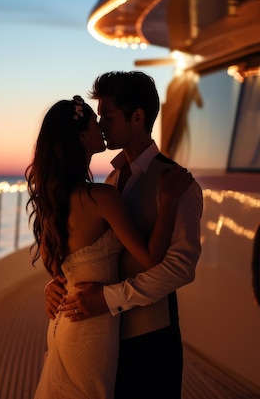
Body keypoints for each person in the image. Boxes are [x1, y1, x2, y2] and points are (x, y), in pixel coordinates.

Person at [44, 71, 203, 399]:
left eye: (108, 117)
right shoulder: (112, 180)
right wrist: (58, 281)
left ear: (137, 117)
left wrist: (109, 299)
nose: (100, 125)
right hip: (102, 337)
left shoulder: (176, 183)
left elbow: (181, 267)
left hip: (150, 341)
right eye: (98, 118)